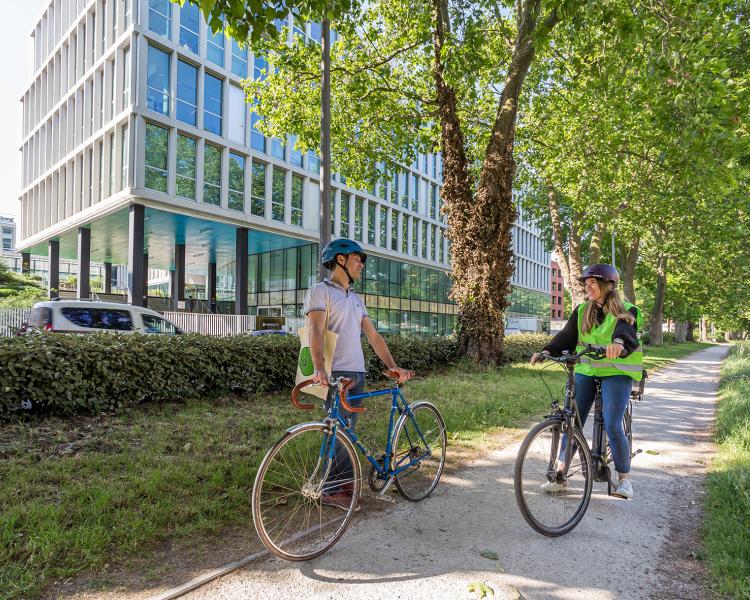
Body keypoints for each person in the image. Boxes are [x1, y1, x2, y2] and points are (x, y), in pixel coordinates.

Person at [304, 238, 414, 509]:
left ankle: (344, 485)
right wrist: (319, 368)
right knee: (338, 431)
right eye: (357, 259)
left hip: (358, 372)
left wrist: (392, 365)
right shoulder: (320, 291)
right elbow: (315, 330)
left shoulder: (355, 298)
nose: (362, 264)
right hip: (336, 372)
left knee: (348, 431)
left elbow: (373, 335)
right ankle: (331, 489)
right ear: (340, 260)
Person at [530, 264, 643, 499]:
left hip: (617, 372)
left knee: (612, 423)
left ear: (608, 286)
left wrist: (618, 344)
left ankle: (625, 480)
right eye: (586, 283)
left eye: (593, 283)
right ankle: (560, 476)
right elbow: (566, 336)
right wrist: (547, 351)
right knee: (572, 421)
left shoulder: (627, 310)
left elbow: (625, 333)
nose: (588, 287)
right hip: (587, 371)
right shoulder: (582, 310)